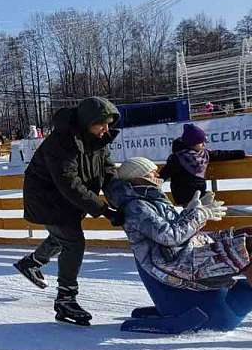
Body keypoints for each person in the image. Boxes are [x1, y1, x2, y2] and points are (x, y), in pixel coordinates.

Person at [13, 96, 125, 326]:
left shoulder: (98, 139)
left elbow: (107, 171)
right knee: (73, 242)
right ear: (87, 122)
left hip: (67, 200)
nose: (106, 129)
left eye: (109, 124)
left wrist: (122, 197)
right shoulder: (62, 141)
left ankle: (31, 263)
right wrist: (104, 210)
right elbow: (69, 183)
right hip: (47, 199)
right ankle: (66, 299)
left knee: (62, 236)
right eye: (101, 124)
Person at [107, 157, 252, 333]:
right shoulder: (137, 207)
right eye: (151, 172)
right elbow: (169, 236)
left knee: (248, 233)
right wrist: (199, 215)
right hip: (174, 262)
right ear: (137, 177)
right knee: (245, 248)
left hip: (184, 251)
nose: (157, 175)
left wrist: (192, 210)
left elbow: (175, 228)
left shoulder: (152, 198)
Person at [159, 122, 246, 206]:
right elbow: (166, 171)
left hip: (200, 194)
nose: (204, 144)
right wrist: (158, 180)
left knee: (208, 208)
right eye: (201, 142)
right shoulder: (177, 158)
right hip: (184, 197)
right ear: (192, 143)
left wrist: (240, 153)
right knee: (197, 211)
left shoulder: (204, 154)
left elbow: (220, 154)